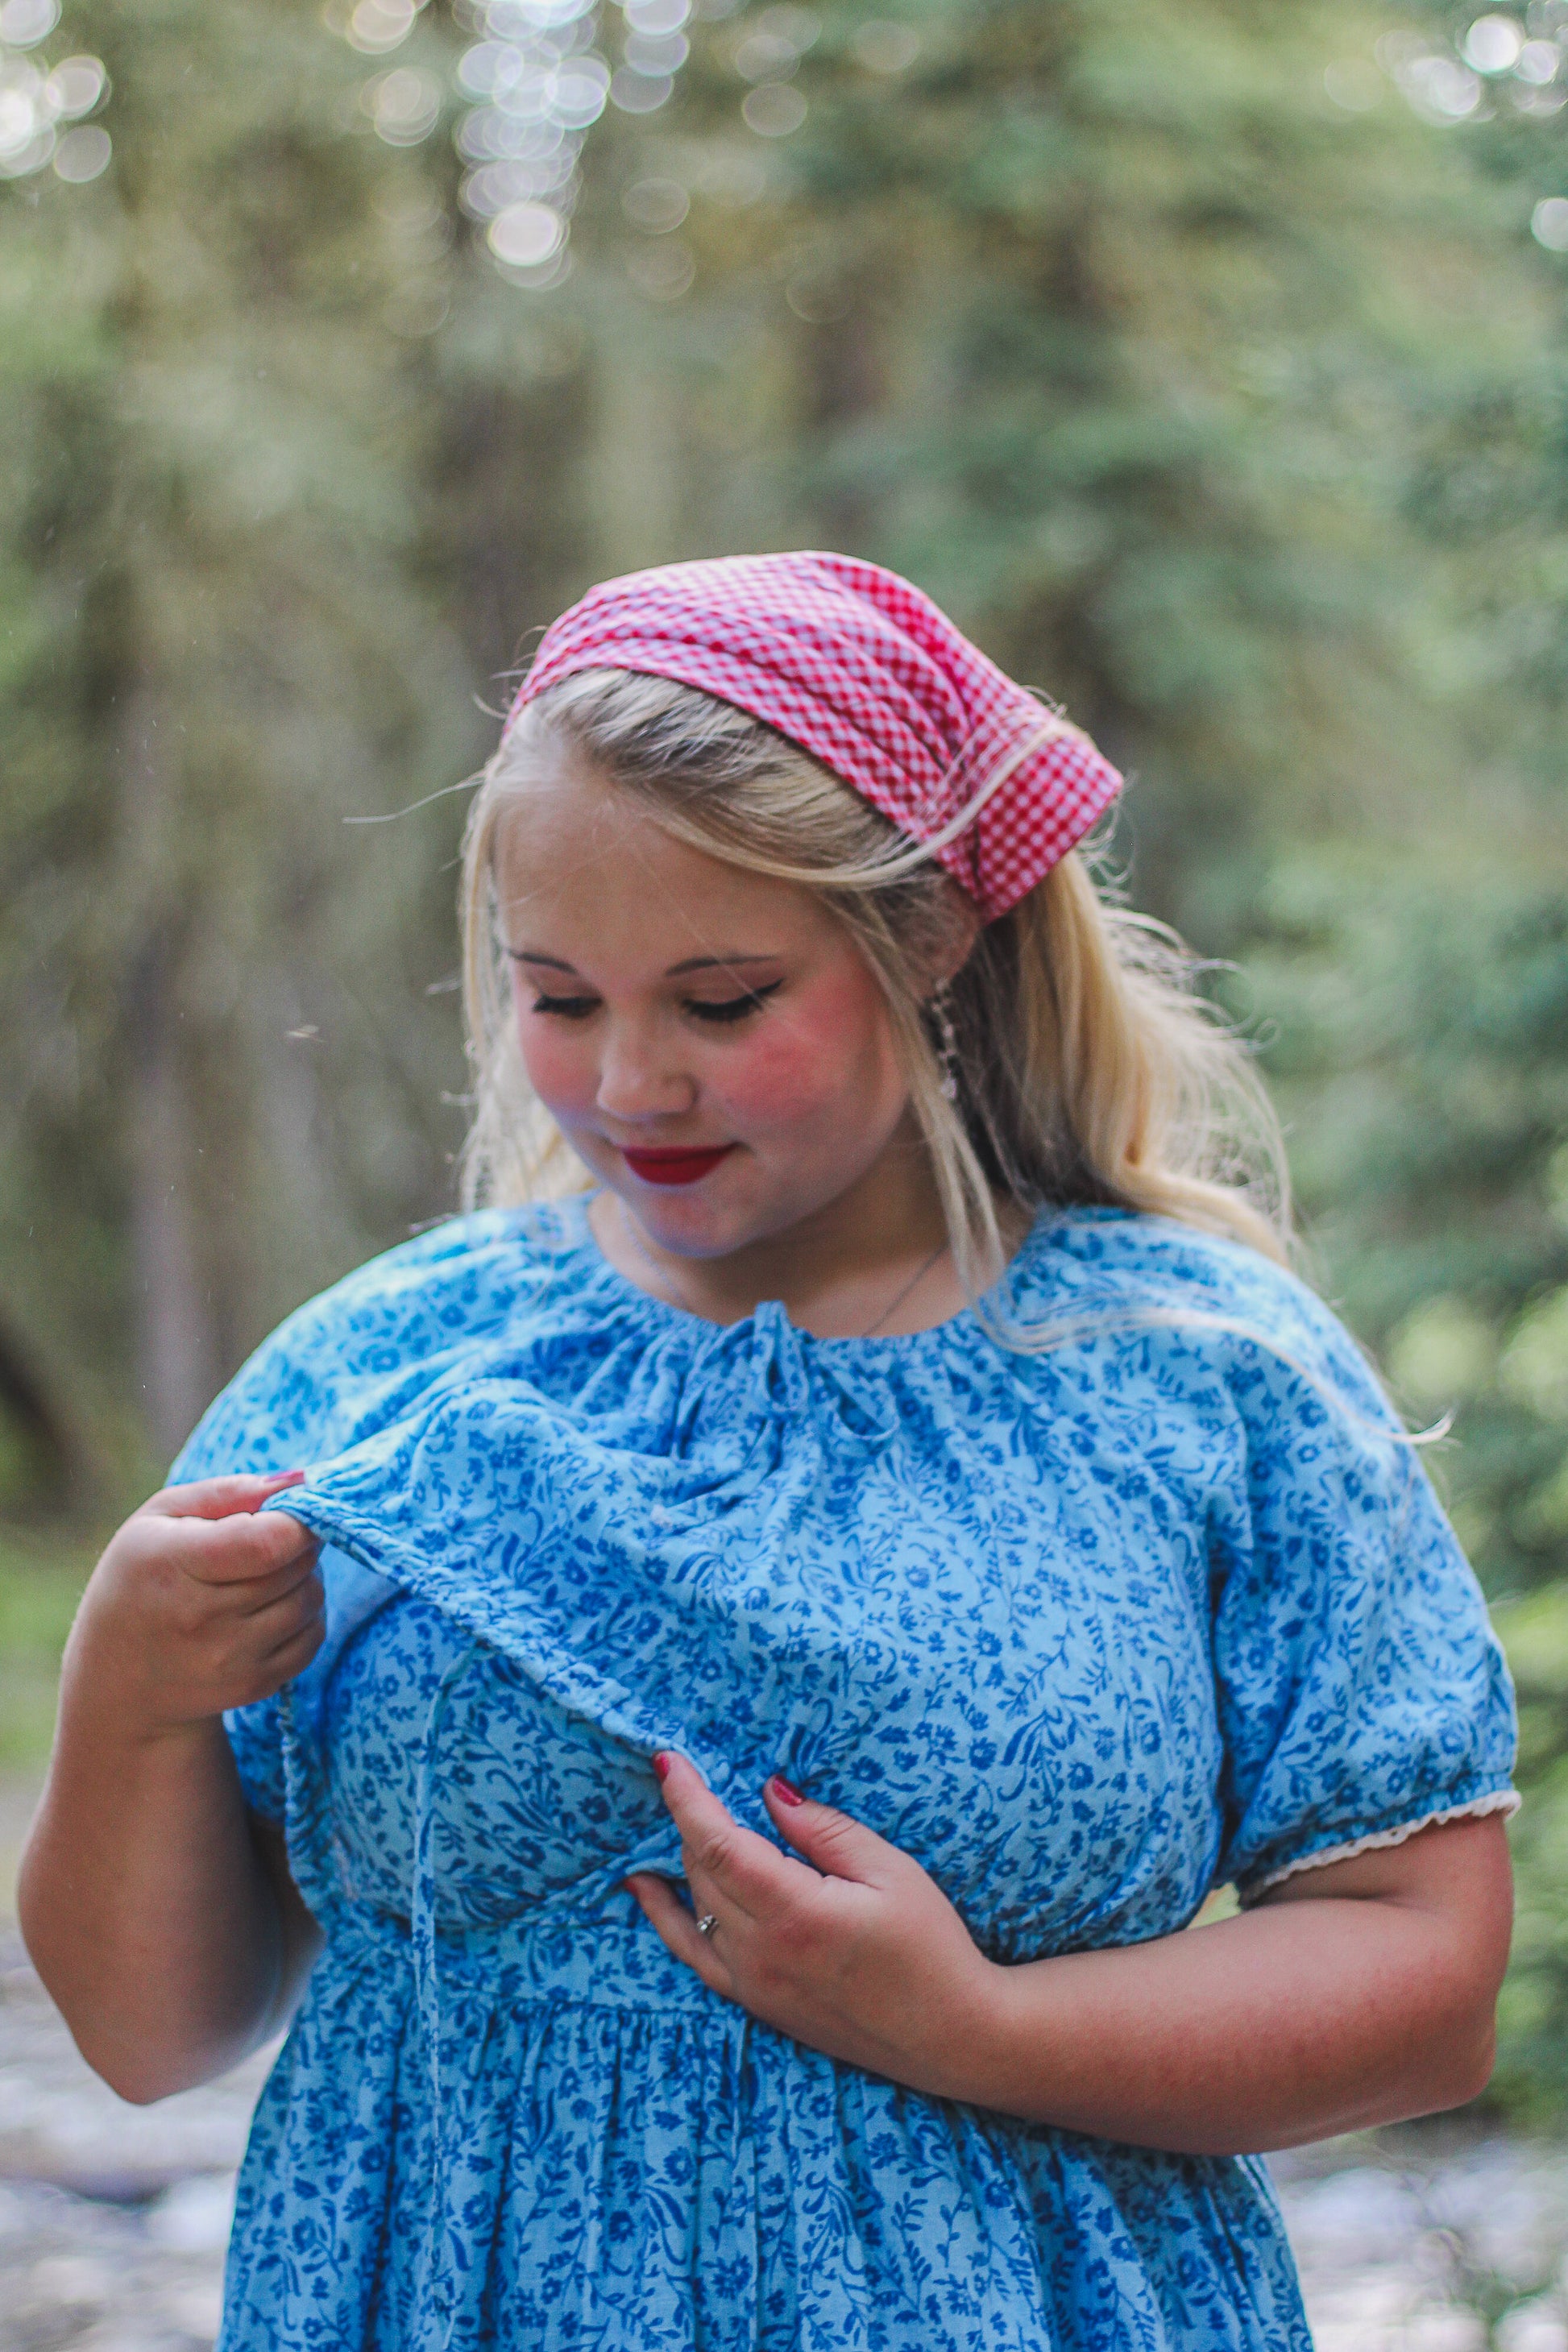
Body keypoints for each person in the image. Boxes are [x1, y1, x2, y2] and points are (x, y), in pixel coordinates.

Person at [21, 552, 1516, 2350]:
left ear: (930, 938)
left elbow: (1425, 1971)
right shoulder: (389, 1369)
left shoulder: (1191, 1369)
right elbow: (150, 2031)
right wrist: (125, 1692)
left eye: (720, 999)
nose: (631, 1083)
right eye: (558, 996)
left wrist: (977, 2028)